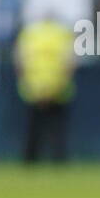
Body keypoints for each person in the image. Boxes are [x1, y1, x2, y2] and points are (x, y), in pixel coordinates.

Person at [15, 16, 75, 162]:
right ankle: (53, 161)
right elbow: (69, 63)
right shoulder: (62, 34)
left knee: (40, 130)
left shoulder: (30, 34)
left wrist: (37, 89)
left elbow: (21, 61)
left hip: (39, 90)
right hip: (53, 90)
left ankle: (34, 161)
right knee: (51, 130)